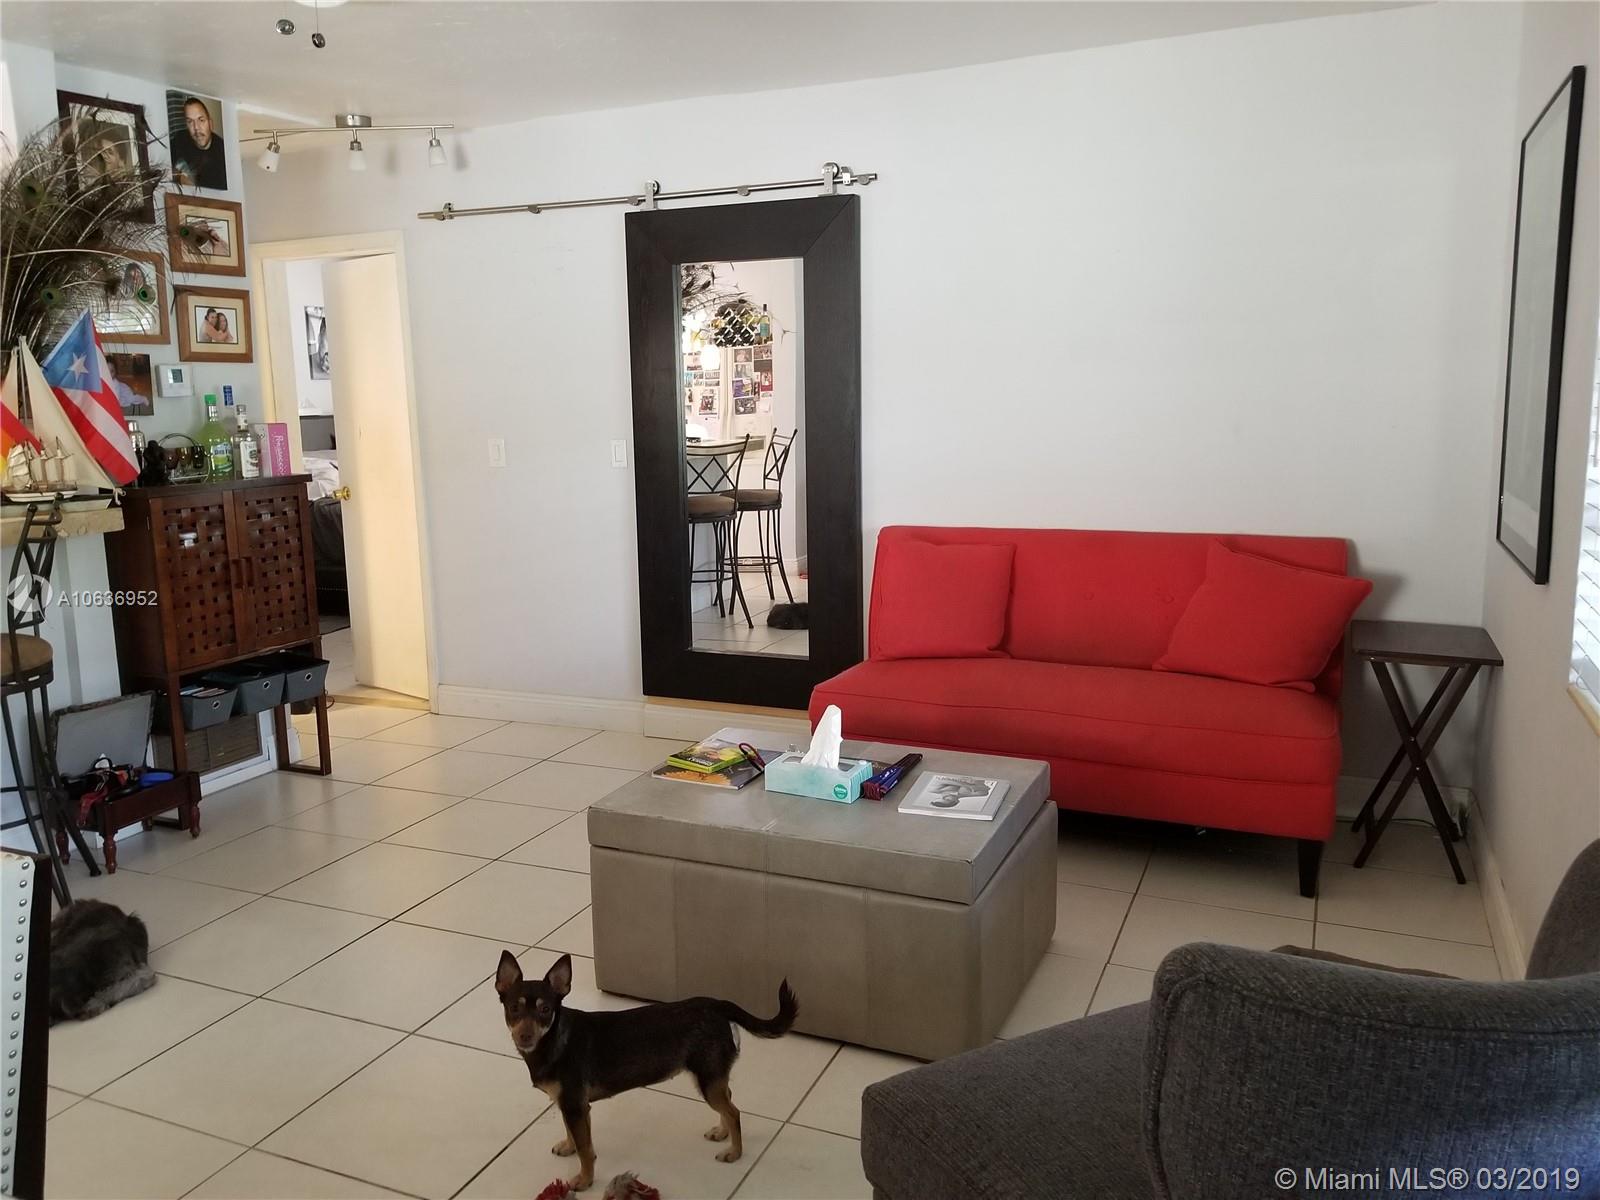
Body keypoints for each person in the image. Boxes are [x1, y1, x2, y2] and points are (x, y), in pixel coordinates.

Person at [169, 97, 226, 189]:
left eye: (201, 120)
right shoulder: (180, 138)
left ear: (210, 124)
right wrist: (180, 176)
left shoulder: (223, 152)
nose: (196, 128)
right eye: (190, 122)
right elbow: (165, 165)